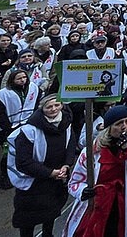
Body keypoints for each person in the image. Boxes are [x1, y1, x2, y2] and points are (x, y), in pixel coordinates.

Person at [63, 105, 127, 237]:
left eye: (126, 121)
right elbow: (74, 183)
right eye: (119, 123)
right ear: (109, 127)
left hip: (122, 200)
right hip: (97, 204)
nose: (124, 126)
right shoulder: (90, 152)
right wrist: (83, 191)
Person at [7, 94, 77, 237]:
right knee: (28, 220)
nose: (53, 109)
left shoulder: (66, 124)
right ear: (41, 109)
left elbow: (71, 146)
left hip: (56, 179)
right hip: (33, 183)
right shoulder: (29, 130)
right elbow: (23, 162)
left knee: (52, 212)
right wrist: (50, 172)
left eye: (57, 105)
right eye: (48, 107)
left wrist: (66, 165)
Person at [0, 68, 40, 189]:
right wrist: (8, 128)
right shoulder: (2, 94)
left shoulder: (33, 88)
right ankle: (5, 176)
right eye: (19, 78)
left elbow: (36, 105)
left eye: (24, 77)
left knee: (26, 152)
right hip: (9, 128)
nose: (22, 80)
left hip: (27, 125)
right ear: (12, 80)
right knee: (8, 153)